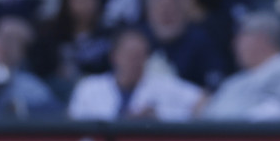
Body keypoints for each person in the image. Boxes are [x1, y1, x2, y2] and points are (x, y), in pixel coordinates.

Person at [67, 26, 205, 120]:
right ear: (114, 57)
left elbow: (203, 101)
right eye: (130, 55)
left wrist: (161, 116)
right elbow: (72, 122)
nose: (135, 61)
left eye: (140, 56)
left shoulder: (162, 84)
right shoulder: (89, 87)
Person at [199, 12, 280, 121]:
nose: (234, 44)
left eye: (240, 36)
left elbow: (277, 117)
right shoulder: (234, 81)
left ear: (260, 38)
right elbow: (208, 115)